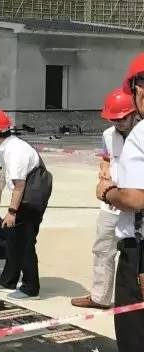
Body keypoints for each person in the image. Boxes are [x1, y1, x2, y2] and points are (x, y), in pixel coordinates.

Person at [72, 89, 137, 309]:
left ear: (134, 113)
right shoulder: (108, 135)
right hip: (112, 203)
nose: (118, 123)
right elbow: (107, 158)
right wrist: (104, 170)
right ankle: (100, 297)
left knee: (135, 254)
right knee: (102, 249)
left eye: (123, 118)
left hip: (137, 204)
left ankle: (135, 300)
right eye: (114, 119)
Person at [97, 53, 144, 351]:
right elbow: (106, 159)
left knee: (133, 334)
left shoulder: (141, 133)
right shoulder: (111, 136)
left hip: (139, 249)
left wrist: (107, 192)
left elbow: (135, 198)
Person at [0, 109, 51, 301]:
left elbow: (19, 185)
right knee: (12, 238)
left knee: (24, 242)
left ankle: (30, 288)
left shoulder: (14, 150)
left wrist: (11, 211)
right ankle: (8, 281)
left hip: (29, 200)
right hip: (24, 198)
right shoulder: (8, 147)